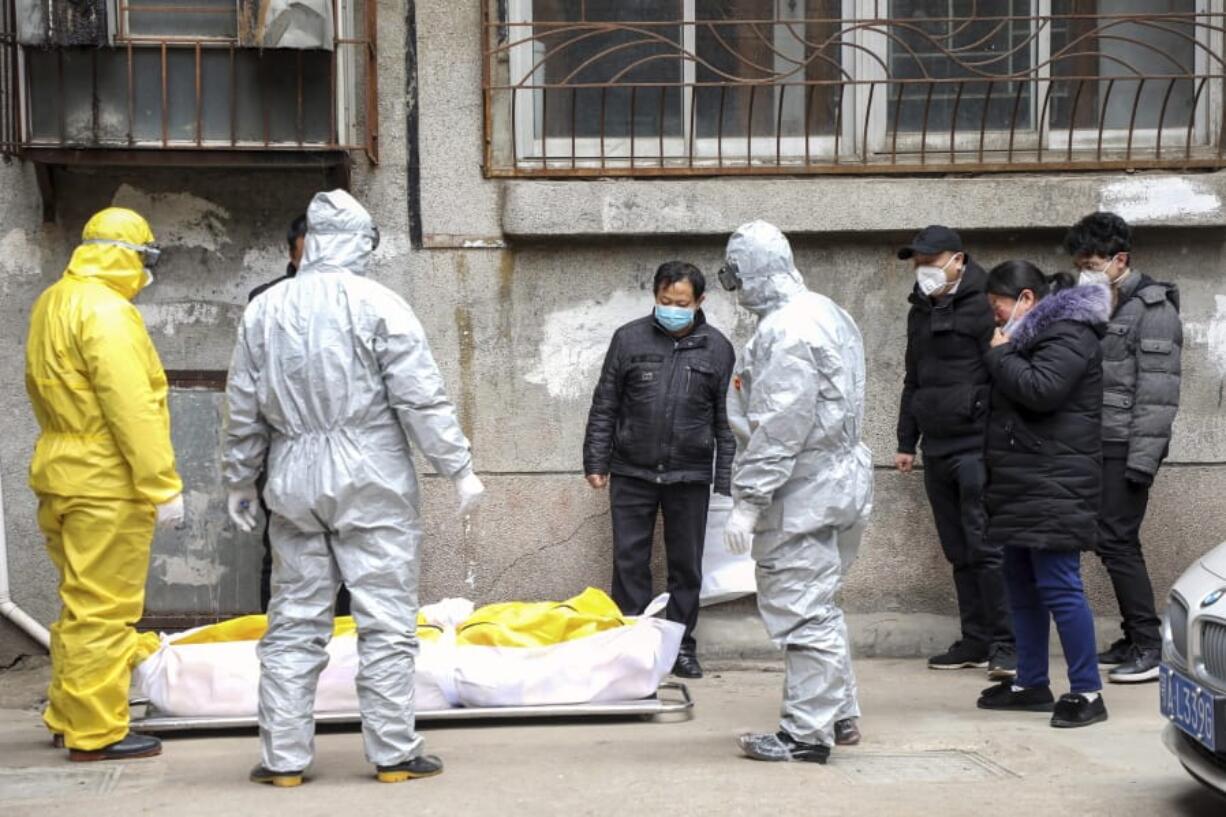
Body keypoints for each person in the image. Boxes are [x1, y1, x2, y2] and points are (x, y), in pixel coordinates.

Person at [223, 189, 485, 787]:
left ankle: (284, 759)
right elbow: (420, 396)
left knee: (292, 621)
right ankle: (392, 752)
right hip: (370, 474)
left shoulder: (266, 309)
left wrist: (241, 476)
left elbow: (241, 404)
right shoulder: (379, 304)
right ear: (359, 240)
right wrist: (458, 467)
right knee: (385, 618)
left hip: (292, 474)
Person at [26, 207, 184, 761]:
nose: (146, 272)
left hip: (60, 470)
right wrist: (162, 484)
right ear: (128, 255)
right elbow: (130, 405)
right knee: (105, 611)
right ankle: (96, 732)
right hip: (104, 481)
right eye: (146, 259)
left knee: (78, 605)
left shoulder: (54, 301)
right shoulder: (107, 312)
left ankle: (68, 715)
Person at [719, 221, 873, 763]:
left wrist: (749, 502)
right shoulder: (826, 311)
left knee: (802, 610)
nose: (733, 288)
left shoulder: (786, 331)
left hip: (802, 489)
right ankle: (838, 715)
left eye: (733, 275)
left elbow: (780, 427)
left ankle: (806, 734)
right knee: (820, 606)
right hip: (835, 481)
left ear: (752, 272)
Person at [583, 261, 736, 679]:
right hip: (632, 470)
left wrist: (723, 478)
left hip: (689, 474)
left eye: (681, 303)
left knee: (685, 566)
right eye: (665, 301)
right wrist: (596, 460)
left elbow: (728, 419)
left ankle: (681, 645)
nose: (672, 308)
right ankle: (634, 644)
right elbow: (606, 404)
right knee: (629, 560)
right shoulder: (629, 339)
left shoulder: (718, 348)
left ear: (699, 302)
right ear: (655, 297)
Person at [977, 261, 1110, 728]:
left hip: (1056, 482)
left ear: (1027, 299)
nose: (995, 318)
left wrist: (999, 355)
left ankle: (1088, 691)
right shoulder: (1032, 336)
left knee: (1059, 585)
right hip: (1024, 480)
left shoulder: (1069, 333)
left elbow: (1042, 390)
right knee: (1020, 583)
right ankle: (1030, 682)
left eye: (999, 307)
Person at [1064, 212, 1182, 684]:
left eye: (1092, 263)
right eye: (1080, 264)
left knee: (1117, 541)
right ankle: (1135, 636)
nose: (1085, 271)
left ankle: (1150, 645)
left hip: (1125, 446)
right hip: (1096, 442)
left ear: (1120, 260)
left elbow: (1158, 394)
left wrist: (1142, 461)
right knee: (1107, 541)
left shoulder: (1153, 311)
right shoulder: (1100, 301)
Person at [895, 226, 1015, 679]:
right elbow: (914, 377)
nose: (923, 268)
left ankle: (1008, 643)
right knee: (958, 549)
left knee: (987, 547)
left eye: (932, 258)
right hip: (937, 445)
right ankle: (976, 638)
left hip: (977, 445)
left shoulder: (988, 303)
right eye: (918, 261)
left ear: (958, 260)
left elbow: (1004, 370)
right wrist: (907, 442)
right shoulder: (919, 310)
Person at [247, 214, 351, 616]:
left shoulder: (357, 299)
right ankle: (275, 648)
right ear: (291, 252)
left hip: (345, 448)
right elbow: (249, 385)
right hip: (283, 447)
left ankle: (344, 647)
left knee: (348, 550)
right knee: (282, 552)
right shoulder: (266, 300)